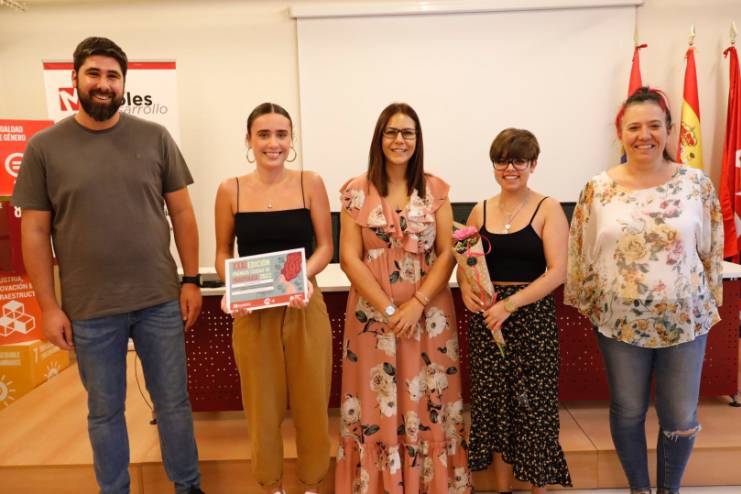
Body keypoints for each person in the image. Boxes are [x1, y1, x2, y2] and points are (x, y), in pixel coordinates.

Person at [12, 37, 204, 494]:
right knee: (104, 412)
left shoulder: (155, 137)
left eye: (112, 76)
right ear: (74, 79)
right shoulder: (44, 148)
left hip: (159, 299)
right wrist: (48, 307)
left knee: (174, 404)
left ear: (124, 84)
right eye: (94, 74)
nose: (103, 84)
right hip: (90, 309)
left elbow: (182, 212)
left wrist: (192, 280)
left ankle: (188, 486)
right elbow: (34, 232)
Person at [565, 87, 724, 494]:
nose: (644, 135)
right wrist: (589, 304)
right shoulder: (597, 188)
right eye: (634, 127)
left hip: (684, 319)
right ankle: (639, 489)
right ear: (621, 133)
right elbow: (581, 250)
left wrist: (708, 300)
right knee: (628, 411)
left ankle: (669, 490)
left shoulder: (696, 184)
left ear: (669, 129)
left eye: (654, 125)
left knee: (681, 416)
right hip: (619, 321)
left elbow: (711, 250)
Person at [335, 102, 471, 494]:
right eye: (391, 132)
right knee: (375, 402)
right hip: (372, 319)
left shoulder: (436, 190)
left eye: (407, 132)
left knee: (428, 401)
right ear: (379, 138)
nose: (399, 140)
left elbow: (446, 253)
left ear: (417, 139)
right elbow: (349, 257)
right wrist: (391, 309)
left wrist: (416, 305)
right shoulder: (355, 191)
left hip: (429, 318)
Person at [213, 102, 333, 494]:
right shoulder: (229, 189)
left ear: (291, 139)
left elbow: (325, 247)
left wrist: (302, 278)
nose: (273, 143)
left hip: (303, 306)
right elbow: (222, 252)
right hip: (253, 313)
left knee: (312, 405)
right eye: (263, 134)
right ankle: (271, 486)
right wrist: (231, 286)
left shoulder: (310, 183)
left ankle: (312, 485)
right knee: (262, 410)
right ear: (249, 140)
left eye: (281, 134)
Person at [458, 128, 572, 493]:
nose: (510, 168)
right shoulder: (480, 210)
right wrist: (466, 289)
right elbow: (466, 263)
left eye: (519, 161)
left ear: (533, 164)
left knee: (534, 408)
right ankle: (502, 488)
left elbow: (558, 272)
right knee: (494, 409)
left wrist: (510, 304)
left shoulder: (548, 208)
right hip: (488, 322)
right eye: (502, 161)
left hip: (532, 320)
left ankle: (539, 488)